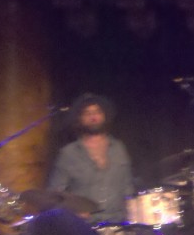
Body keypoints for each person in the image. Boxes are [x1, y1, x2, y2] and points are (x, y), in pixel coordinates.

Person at [47, 93, 135, 224]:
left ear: (105, 115)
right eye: (87, 113)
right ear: (79, 118)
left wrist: (132, 214)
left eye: (97, 112)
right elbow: (54, 194)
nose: (93, 117)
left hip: (119, 223)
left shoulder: (118, 148)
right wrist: (72, 212)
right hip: (85, 226)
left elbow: (128, 187)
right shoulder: (68, 153)